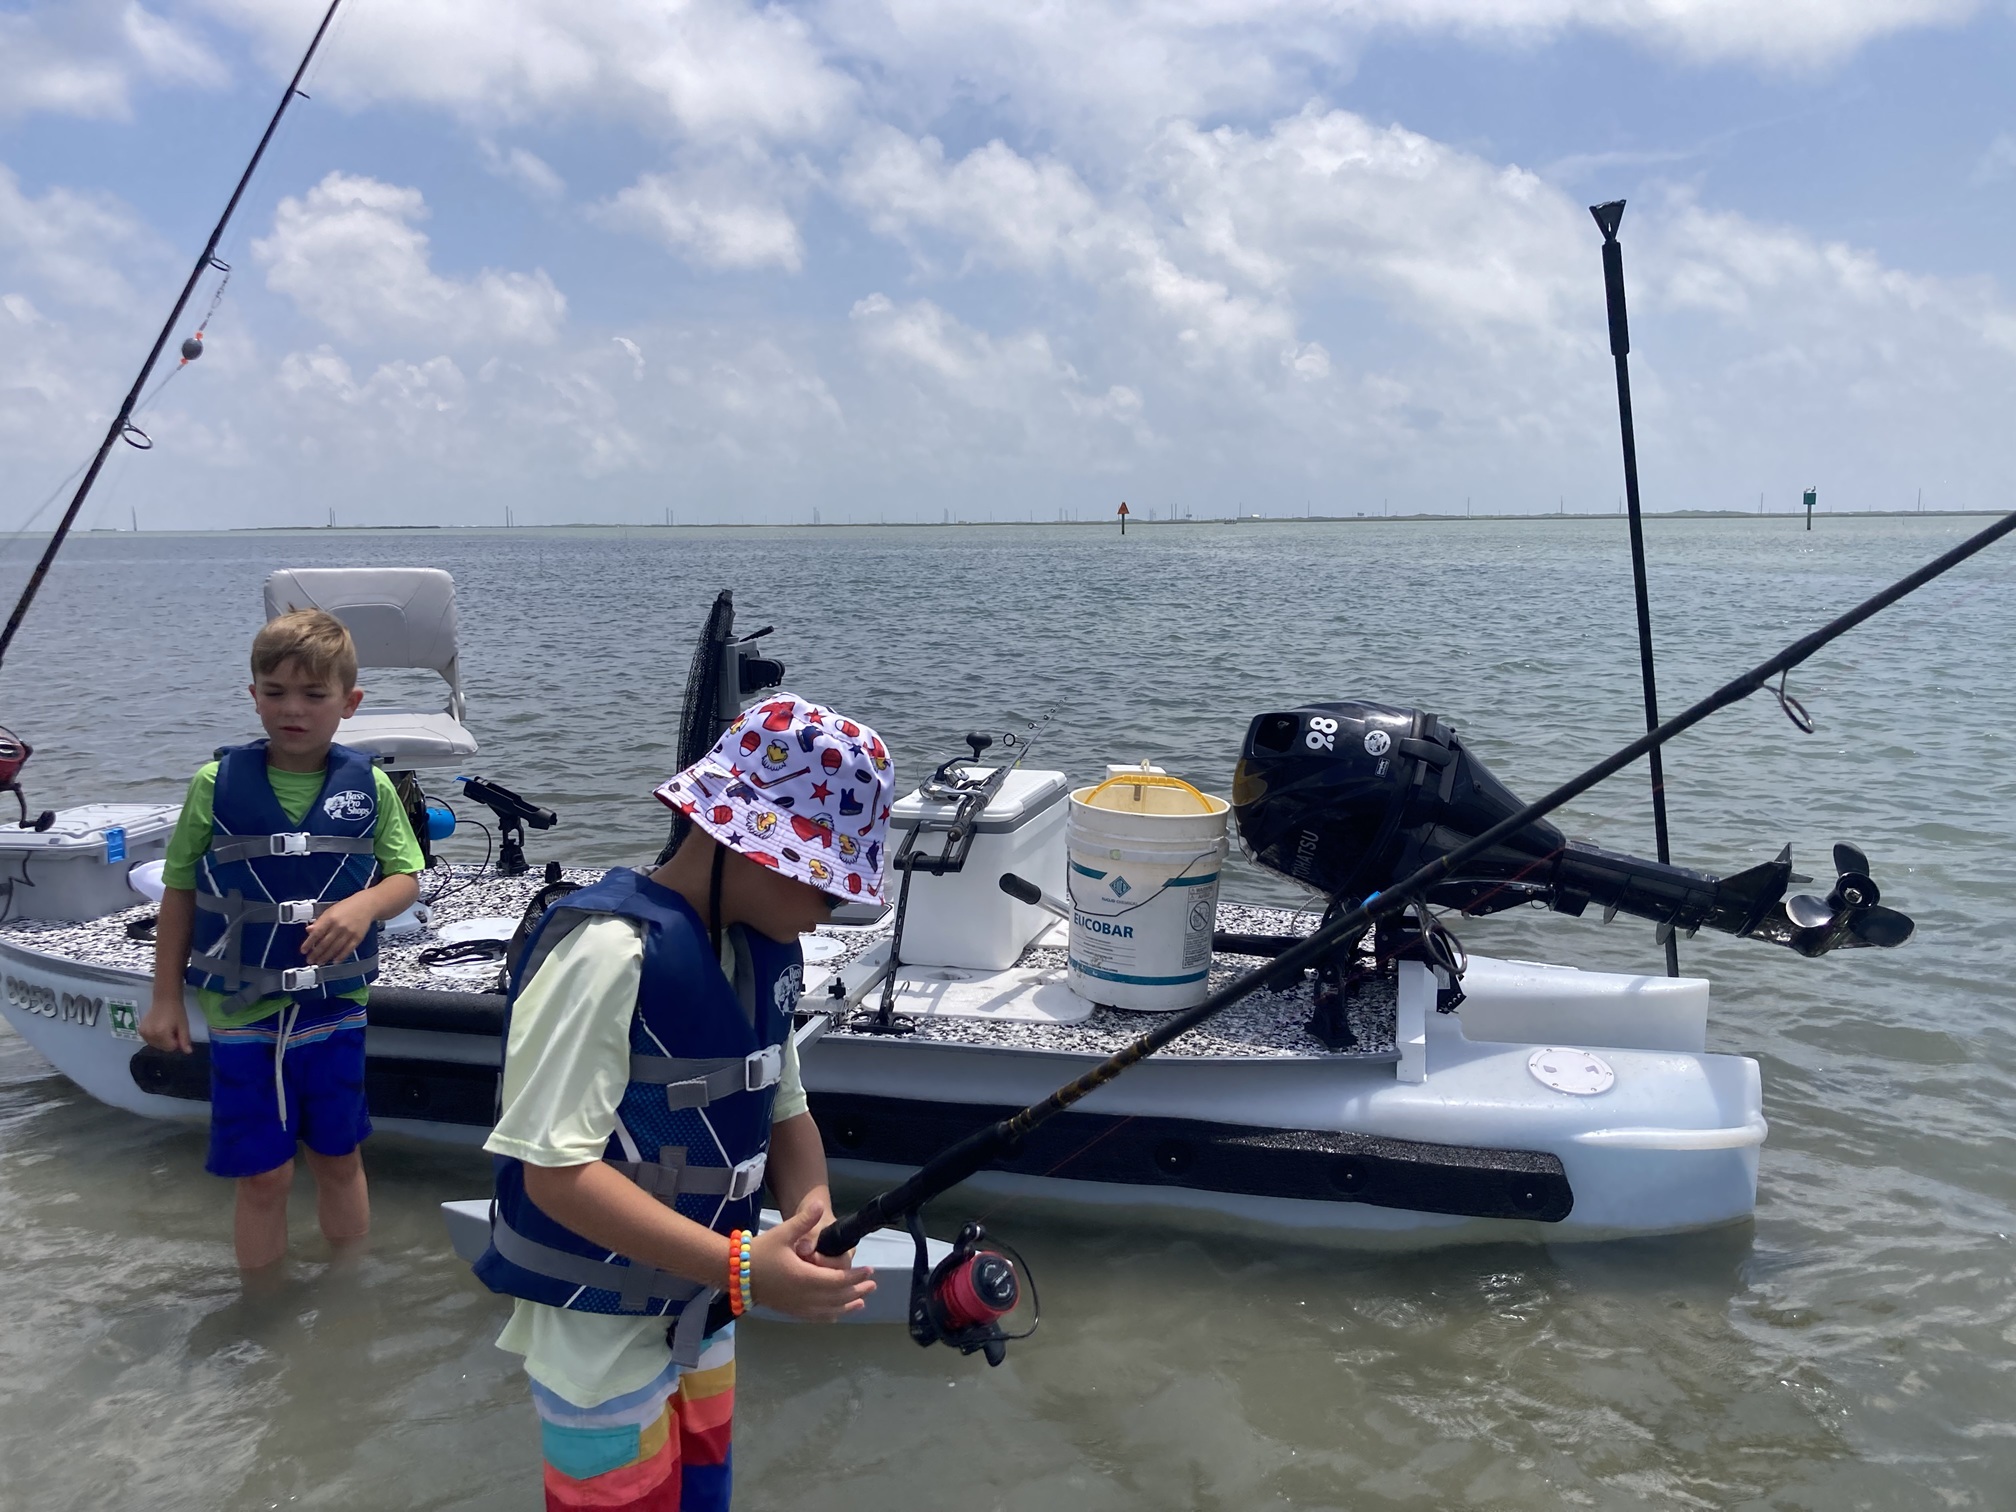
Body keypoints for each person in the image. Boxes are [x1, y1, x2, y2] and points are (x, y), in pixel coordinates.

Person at [474, 693, 895, 1512]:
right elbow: (552, 1175)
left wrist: (810, 1216)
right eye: (826, 889)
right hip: (599, 1332)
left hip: (704, 1307)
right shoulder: (608, 953)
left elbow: (785, 1110)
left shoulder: (757, 955)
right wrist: (744, 1266)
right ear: (752, 847)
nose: (825, 917)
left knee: (703, 1493)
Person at [139, 608, 423, 1269]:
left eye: (314, 694)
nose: (293, 709)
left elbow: (405, 877)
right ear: (254, 695)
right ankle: (262, 1304)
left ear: (349, 703)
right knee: (263, 1177)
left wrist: (364, 905)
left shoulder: (372, 786)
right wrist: (165, 999)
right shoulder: (214, 785)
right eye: (275, 692)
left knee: (339, 1158)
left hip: (336, 1007)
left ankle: (349, 1293)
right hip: (242, 1013)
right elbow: (179, 892)